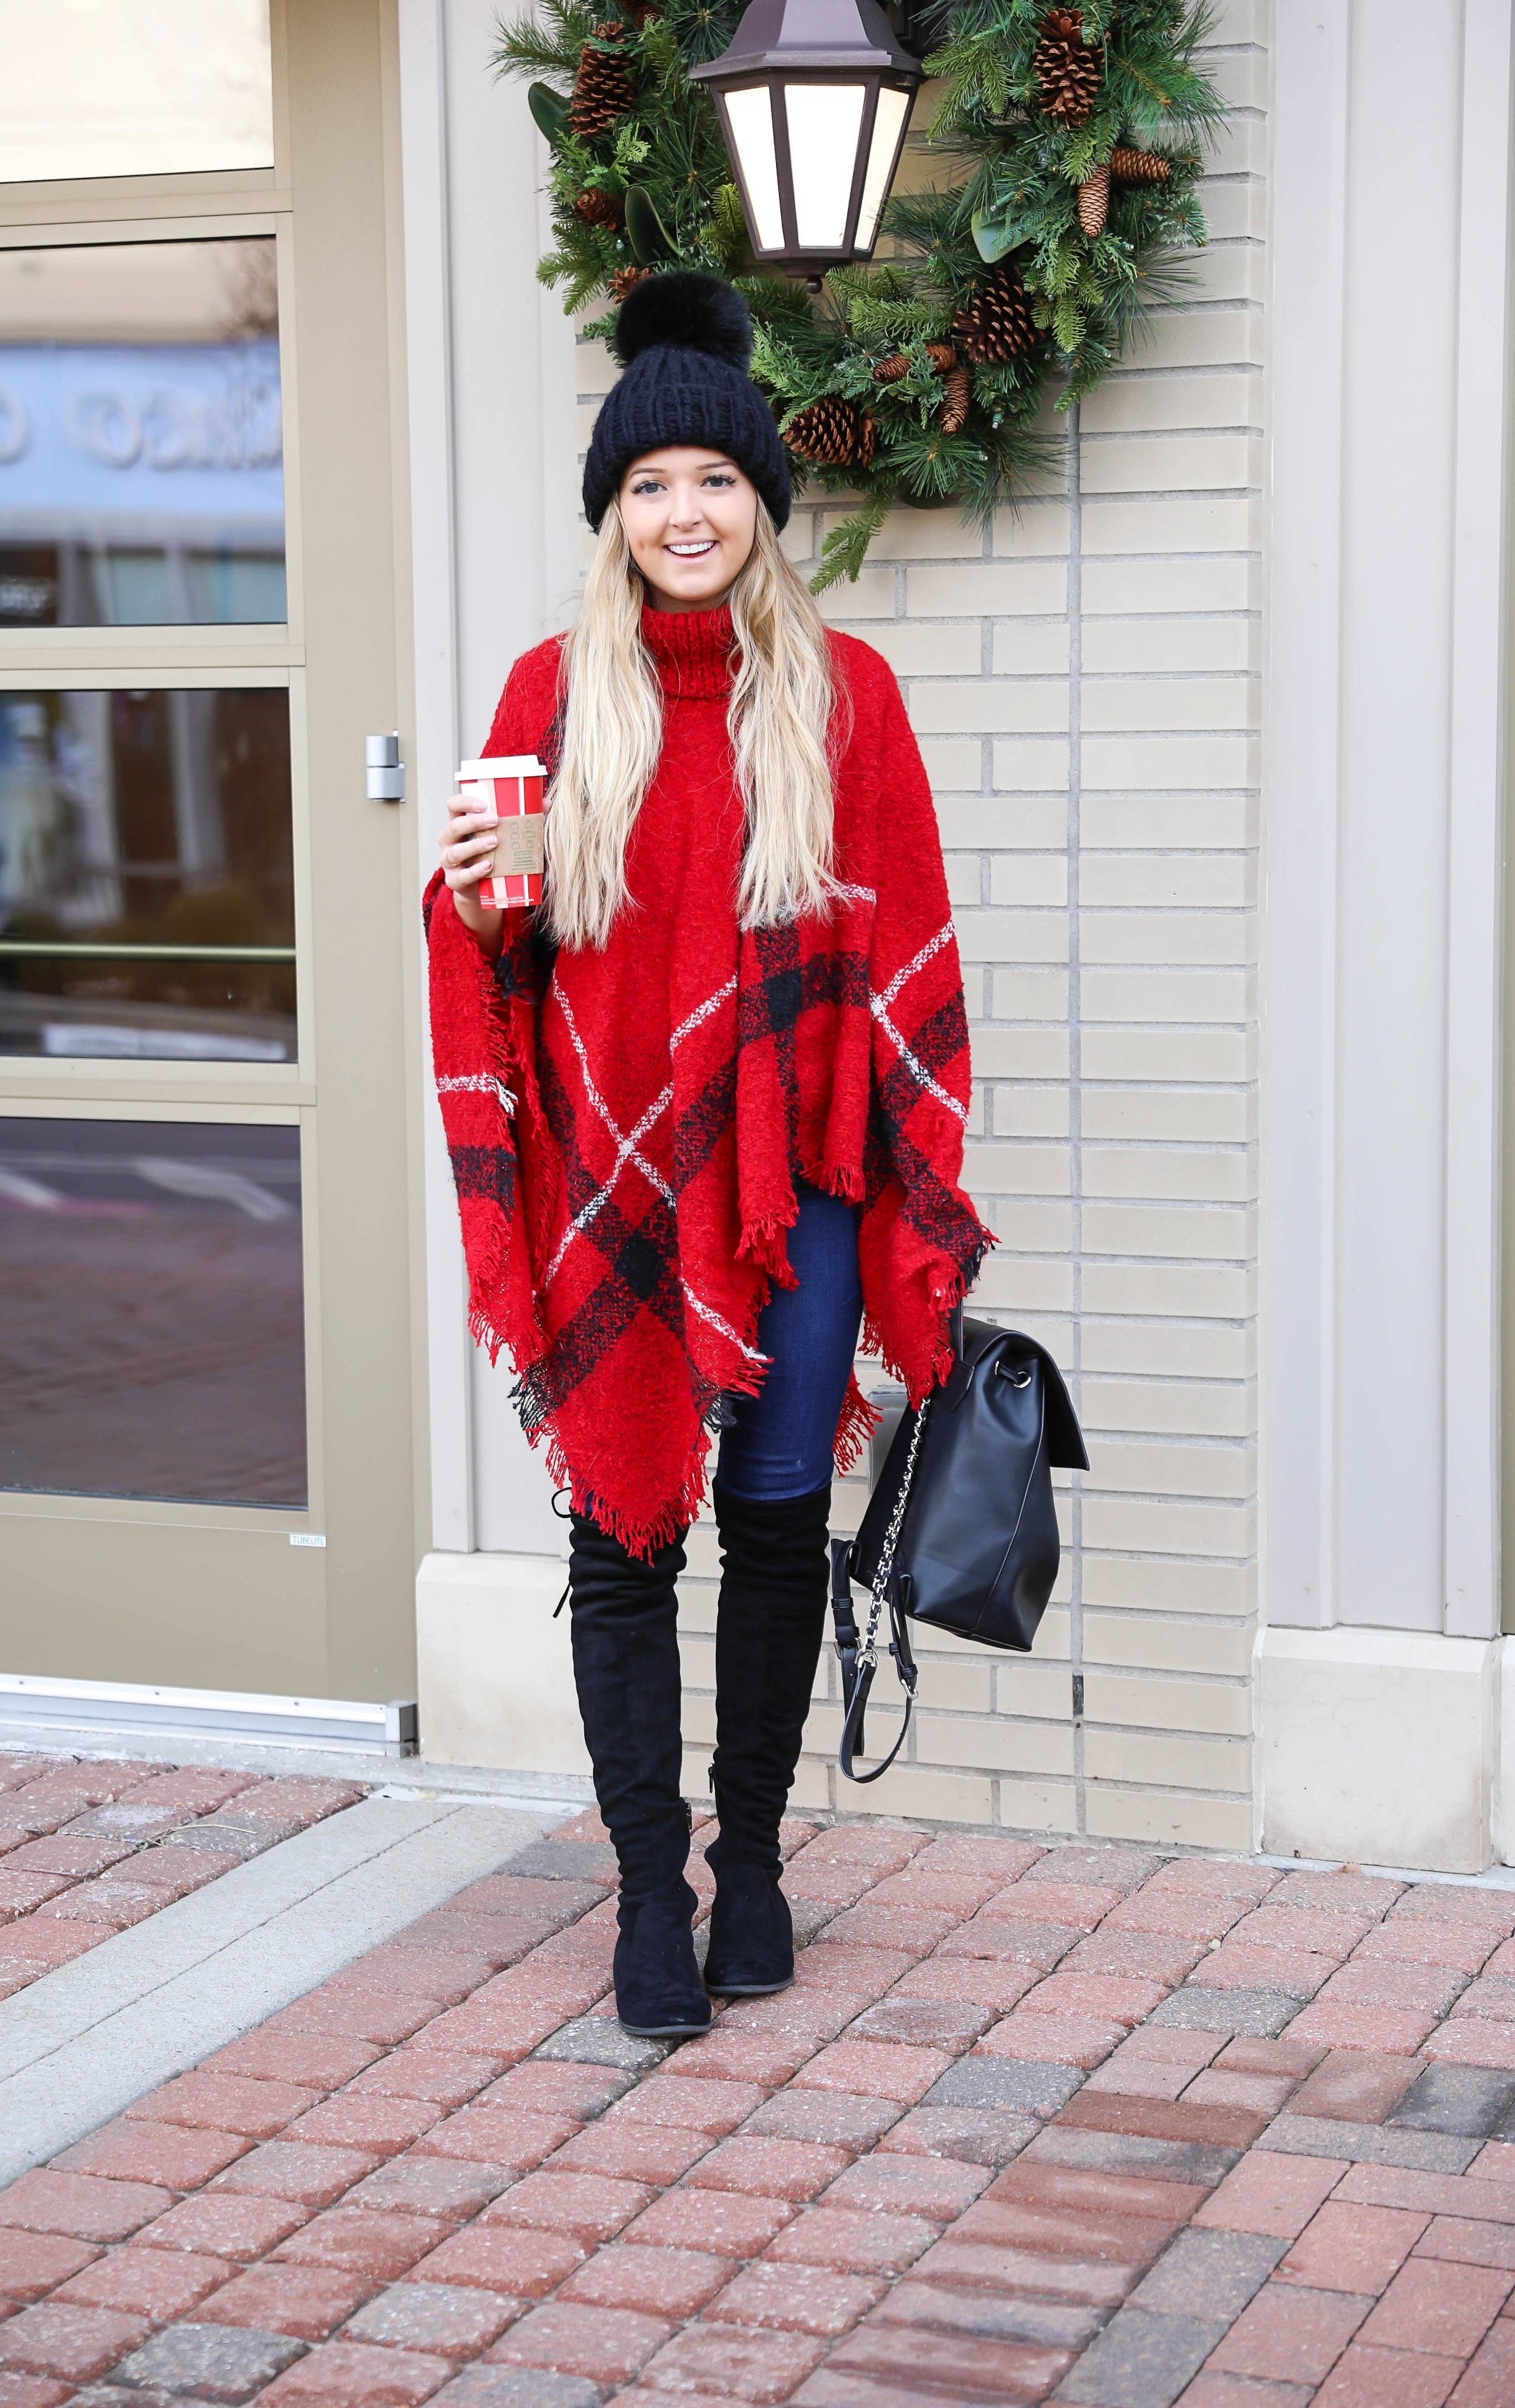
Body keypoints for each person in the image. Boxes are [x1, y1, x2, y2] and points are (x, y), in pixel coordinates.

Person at [427, 271, 990, 2038]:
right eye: (653, 484)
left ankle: (749, 1865)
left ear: (763, 504)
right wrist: (465, 897)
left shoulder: (847, 697)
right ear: (618, 511)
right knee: (620, 1542)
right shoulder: (547, 692)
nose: (686, 513)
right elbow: (504, 968)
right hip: (618, 1185)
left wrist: (896, 1189)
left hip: (800, 1190)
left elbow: (907, 963)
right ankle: (642, 1895)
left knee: (767, 1527)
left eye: (718, 483)